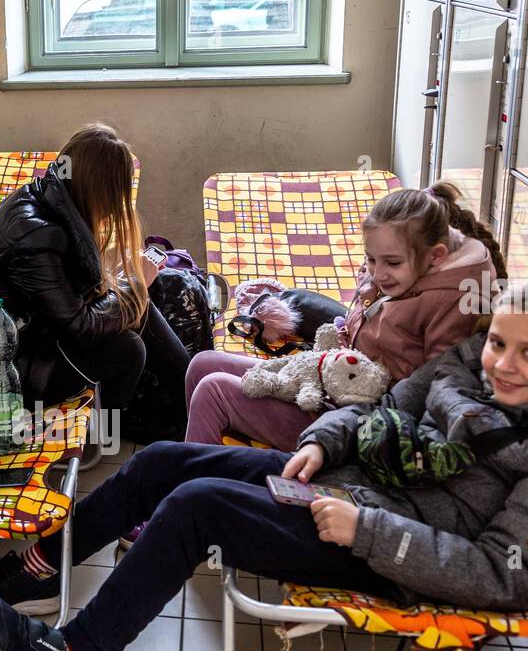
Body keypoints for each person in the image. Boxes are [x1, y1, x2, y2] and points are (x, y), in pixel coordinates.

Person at [0, 280, 528, 651]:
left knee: (196, 507)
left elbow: (508, 576)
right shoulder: (466, 368)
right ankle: (40, 569)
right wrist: (322, 442)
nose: (501, 364)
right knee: (159, 460)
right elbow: (382, 406)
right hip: (345, 486)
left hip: (383, 546)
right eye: (499, 342)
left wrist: (367, 530)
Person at [184, 181, 506, 452]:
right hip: (330, 383)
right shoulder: (405, 278)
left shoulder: (450, 301)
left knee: (214, 392)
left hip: (354, 421)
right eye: (371, 260)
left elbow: (431, 394)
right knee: (202, 364)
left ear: (435, 256)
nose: (379, 273)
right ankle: (185, 458)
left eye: (391, 263)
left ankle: (192, 497)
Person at [0, 124, 190, 418]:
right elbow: (81, 329)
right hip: (15, 372)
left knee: (136, 301)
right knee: (129, 344)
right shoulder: (38, 236)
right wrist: (134, 285)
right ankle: (113, 431)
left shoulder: (43, 197)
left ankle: (193, 399)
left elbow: (61, 295)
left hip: (34, 334)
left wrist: (124, 281)